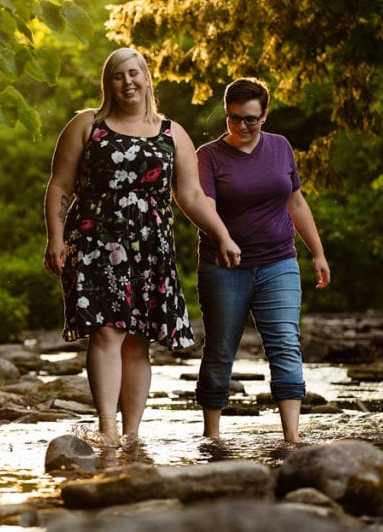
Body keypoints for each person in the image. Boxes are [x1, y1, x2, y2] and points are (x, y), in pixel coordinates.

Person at [43, 47, 242, 447]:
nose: (128, 82)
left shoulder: (172, 133)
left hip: (151, 248)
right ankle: (108, 429)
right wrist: (56, 237)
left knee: (137, 342)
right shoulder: (87, 125)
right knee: (106, 333)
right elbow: (60, 185)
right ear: (108, 83)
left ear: (147, 78)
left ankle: (132, 434)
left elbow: (191, 196)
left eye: (134, 73)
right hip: (96, 242)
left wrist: (223, 235)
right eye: (118, 75)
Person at [194, 78, 331, 444]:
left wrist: (316, 252)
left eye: (250, 119)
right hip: (224, 269)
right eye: (233, 118)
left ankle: (292, 437)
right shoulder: (207, 156)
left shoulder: (281, 147)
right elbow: (204, 205)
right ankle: (212, 437)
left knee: (285, 343)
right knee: (221, 348)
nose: (241, 127)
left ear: (265, 115)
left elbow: (296, 203)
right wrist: (222, 237)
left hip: (279, 262)